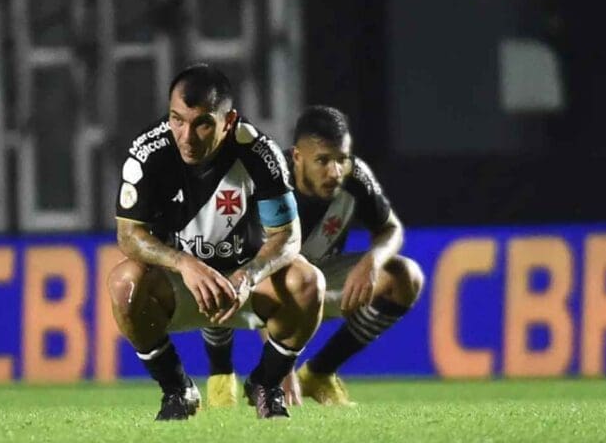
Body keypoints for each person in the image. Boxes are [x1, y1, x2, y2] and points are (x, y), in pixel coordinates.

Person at [107, 64, 324, 420]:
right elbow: (129, 235)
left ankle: (266, 384)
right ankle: (177, 389)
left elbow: (288, 237)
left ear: (229, 121)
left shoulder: (259, 153)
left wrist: (248, 276)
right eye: (177, 119)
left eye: (202, 124)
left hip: (246, 284)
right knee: (123, 284)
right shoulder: (149, 151)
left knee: (309, 282)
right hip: (182, 284)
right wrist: (184, 263)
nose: (186, 136)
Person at [204, 105, 423, 407]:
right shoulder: (265, 178)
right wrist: (283, 365)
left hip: (315, 277)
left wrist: (373, 261)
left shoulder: (355, 177)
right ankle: (221, 373)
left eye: (342, 159)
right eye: (323, 160)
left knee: (405, 277)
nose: (335, 172)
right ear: (297, 157)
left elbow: (391, 229)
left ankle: (319, 373)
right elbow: (262, 265)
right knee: (215, 269)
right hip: (255, 280)